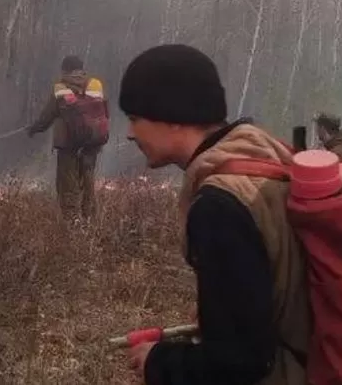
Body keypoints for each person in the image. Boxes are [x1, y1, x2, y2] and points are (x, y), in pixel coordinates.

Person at [118, 44, 308, 384]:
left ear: (173, 116)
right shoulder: (266, 164)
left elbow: (238, 362)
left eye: (135, 118)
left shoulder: (219, 206)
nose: (130, 133)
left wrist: (158, 361)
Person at [27, 55, 108, 222]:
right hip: (91, 145)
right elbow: (103, 114)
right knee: (87, 183)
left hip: (68, 146)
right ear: (82, 70)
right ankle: (90, 223)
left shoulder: (61, 88)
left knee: (68, 186)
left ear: (64, 70)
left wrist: (34, 129)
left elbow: (46, 117)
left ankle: (72, 225)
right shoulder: (95, 86)